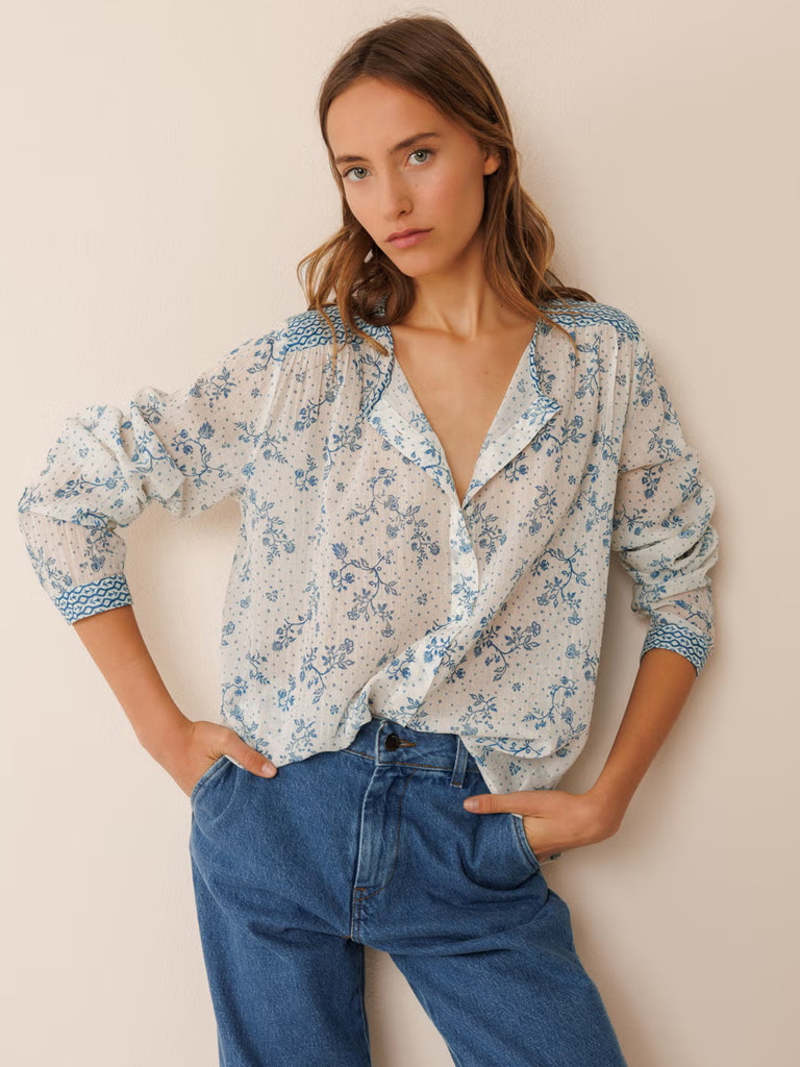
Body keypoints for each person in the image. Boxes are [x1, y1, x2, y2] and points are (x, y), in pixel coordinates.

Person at [16, 14, 719, 1067]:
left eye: (418, 154)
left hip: (470, 828)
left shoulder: (598, 366)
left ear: (489, 146)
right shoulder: (307, 366)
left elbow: (681, 590)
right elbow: (64, 498)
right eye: (355, 170)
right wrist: (164, 736)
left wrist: (607, 798)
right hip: (276, 811)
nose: (388, 200)